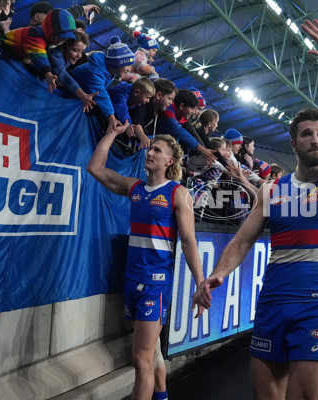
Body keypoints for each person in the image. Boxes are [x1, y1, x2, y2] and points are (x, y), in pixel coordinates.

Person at [193, 19, 318, 399]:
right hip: (272, 300)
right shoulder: (272, 190)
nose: (316, 139)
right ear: (293, 142)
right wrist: (219, 273)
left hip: (317, 302)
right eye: (307, 133)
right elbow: (241, 240)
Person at [87, 130, 204, 400]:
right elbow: (95, 168)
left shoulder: (178, 193)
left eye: (157, 151)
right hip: (131, 279)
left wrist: (200, 283)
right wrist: (111, 134)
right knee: (152, 352)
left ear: (170, 161)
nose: (149, 153)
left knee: (140, 358)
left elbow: (188, 241)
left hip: (156, 285)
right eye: (150, 149)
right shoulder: (135, 188)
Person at [0, 8, 76, 92]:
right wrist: (48, 74)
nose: (62, 40)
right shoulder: (35, 36)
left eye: (65, 38)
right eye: (61, 36)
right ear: (51, 30)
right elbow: (40, 56)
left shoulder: (44, 38)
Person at [70, 35, 134, 135]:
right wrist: (111, 117)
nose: (129, 69)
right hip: (65, 91)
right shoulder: (95, 72)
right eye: (128, 65)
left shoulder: (108, 72)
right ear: (118, 63)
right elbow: (102, 94)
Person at [158, 88, 216, 165]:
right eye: (192, 108)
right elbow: (180, 131)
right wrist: (201, 149)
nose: (194, 112)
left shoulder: (181, 116)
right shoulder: (168, 113)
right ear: (182, 106)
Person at [47, 30, 97, 112]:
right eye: (75, 50)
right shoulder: (55, 55)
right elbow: (62, 74)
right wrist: (82, 95)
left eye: (82, 52)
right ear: (64, 47)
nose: (79, 56)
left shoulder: (68, 58)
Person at [108, 76, 156, 153]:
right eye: (147, 97)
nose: (148, 101)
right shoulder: (121, 92)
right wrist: (128, 124)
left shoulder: (135, 98)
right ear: (137, 92)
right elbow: (121, 108)